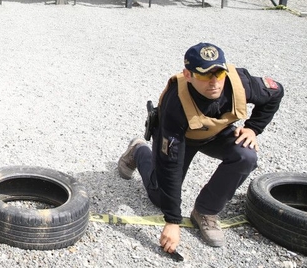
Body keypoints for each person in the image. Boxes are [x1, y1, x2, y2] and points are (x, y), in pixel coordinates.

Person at [118, 43, 283, 253]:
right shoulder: (176, 104)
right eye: (205, 76)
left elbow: (276, 92)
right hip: (180, 136)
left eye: (219, 73)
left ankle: (205, 211)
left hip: (213, 133)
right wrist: (173, 221)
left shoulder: (240, 82)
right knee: (160, 197)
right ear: (188, 74)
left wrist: (253, 128)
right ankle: (139, 150)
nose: (214, 82)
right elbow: (172, 164)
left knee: (246, 155)